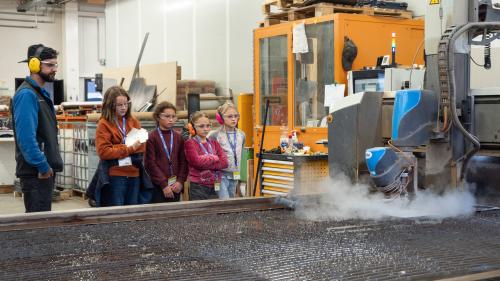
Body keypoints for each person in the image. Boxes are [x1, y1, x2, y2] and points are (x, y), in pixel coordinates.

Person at [12, 44, 63, 213]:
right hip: (37, 174)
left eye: (55, 65)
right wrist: (42, 166)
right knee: (38, 229)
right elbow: (26, 139)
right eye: (50, 65)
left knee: (42, 226)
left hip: (42, 172)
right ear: (34, 65)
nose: (54, 69)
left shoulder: (39, 93)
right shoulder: (27, 95)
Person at [95, 85, 145, 206]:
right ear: (110, 105)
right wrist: (129, 149)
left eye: (126, 104)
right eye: (119, 105)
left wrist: (117, 148)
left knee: (132, 213)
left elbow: (142, 146)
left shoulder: (133, 121)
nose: (124, 108)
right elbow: (104, 152)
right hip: (115, 176)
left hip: (134, 173)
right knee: (116, 214)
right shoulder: (104, 124)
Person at [144, 101, 187, 203]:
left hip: (175, 185)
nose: (171, 119)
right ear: (158, 117)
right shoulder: (152, 137)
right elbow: (150, 163)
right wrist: (163, 184)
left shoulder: (178, 137)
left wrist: (180, 181)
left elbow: (183, 162)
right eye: (167, 116)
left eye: (173, 116)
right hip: (158, 186)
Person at [184, 111, 228, 200]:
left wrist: (205, 159)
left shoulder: (214, 143)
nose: (205, 129)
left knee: (214, 212)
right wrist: (214, 157)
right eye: (201, 126)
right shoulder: (190, 143)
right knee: (200, 212)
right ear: (193, 127)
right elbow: (197, 162)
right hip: (198, 186)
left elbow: (224, 163)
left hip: (215, 184)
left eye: (208, 125)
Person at [209, 102, 245, 199]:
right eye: (229, 116)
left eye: (236, 116)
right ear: (221, 118)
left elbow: (239, 154)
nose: (233, 119)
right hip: (220, 175)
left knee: (232, 201)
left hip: (234, 174)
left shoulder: (242, 135)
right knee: (224, 202)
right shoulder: (215, 135)